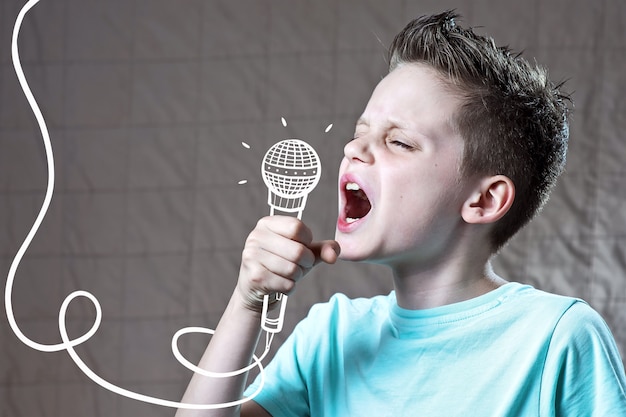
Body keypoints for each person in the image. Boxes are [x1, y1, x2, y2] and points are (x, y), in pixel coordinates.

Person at [177, 10, 626, 416]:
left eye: (399, 142)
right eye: (360, 133)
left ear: (484, 200)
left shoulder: (557, 338)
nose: (354, 149)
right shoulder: (330, 336)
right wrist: (248, 302)